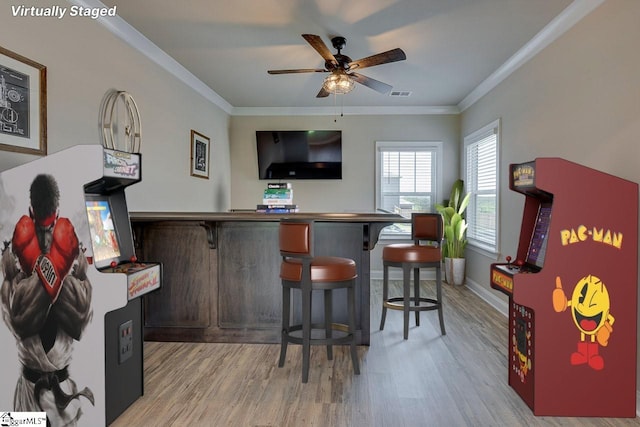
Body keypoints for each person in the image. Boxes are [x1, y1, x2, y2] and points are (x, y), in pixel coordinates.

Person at [1, 174, 94, 426]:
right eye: (40, 230)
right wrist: (48, 267)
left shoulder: (73, 257)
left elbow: (79, 323)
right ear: (31, 213)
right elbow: (19, 322)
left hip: (62, 391)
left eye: (49, 229)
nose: (44, 237)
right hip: (26, 394)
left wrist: (57, 264)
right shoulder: (12, 259)